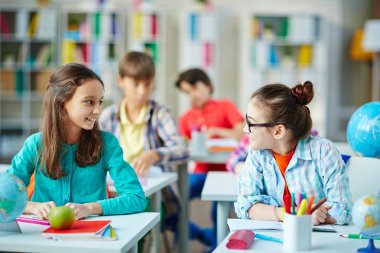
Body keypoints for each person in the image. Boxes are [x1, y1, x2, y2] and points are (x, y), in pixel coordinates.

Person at [8, 63, 147, 220]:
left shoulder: (107, 144)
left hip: (92, 238)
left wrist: (91, 208)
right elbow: (3, 195)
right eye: (89, 102)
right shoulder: (34, 144)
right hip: (40, 237)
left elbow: (137, 198)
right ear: (62, 103)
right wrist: (31, 207)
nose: (98, 111)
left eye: (99, 102)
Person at [235, 81, 352, 225]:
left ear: (278, 131)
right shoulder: (257, 155)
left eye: (250, 124)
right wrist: (291, 214)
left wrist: (320, 216)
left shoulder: (323, 151)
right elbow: (245, 206)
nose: (245, 130)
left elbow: (343, 210)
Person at [99, 51, 188, 234]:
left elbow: (182, 150)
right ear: (120, 80)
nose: (142, 91)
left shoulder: (160, 114)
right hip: (112, 191)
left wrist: (155, 155)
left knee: (134, 222)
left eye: (147, 85)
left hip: (155, 195)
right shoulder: (108, 117)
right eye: (136, 84)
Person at [175, 68, 244, 248]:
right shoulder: (186, 118)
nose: (192, 96)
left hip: (226, 174)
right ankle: (206, 237)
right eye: (187, 92)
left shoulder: (225, 106)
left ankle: (215, 244)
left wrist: (216, 132)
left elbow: (242, 132)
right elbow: (183, 146)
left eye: (195, 88)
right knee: (172, 204)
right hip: (200, 173)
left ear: (208, 86)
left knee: (218, 213)